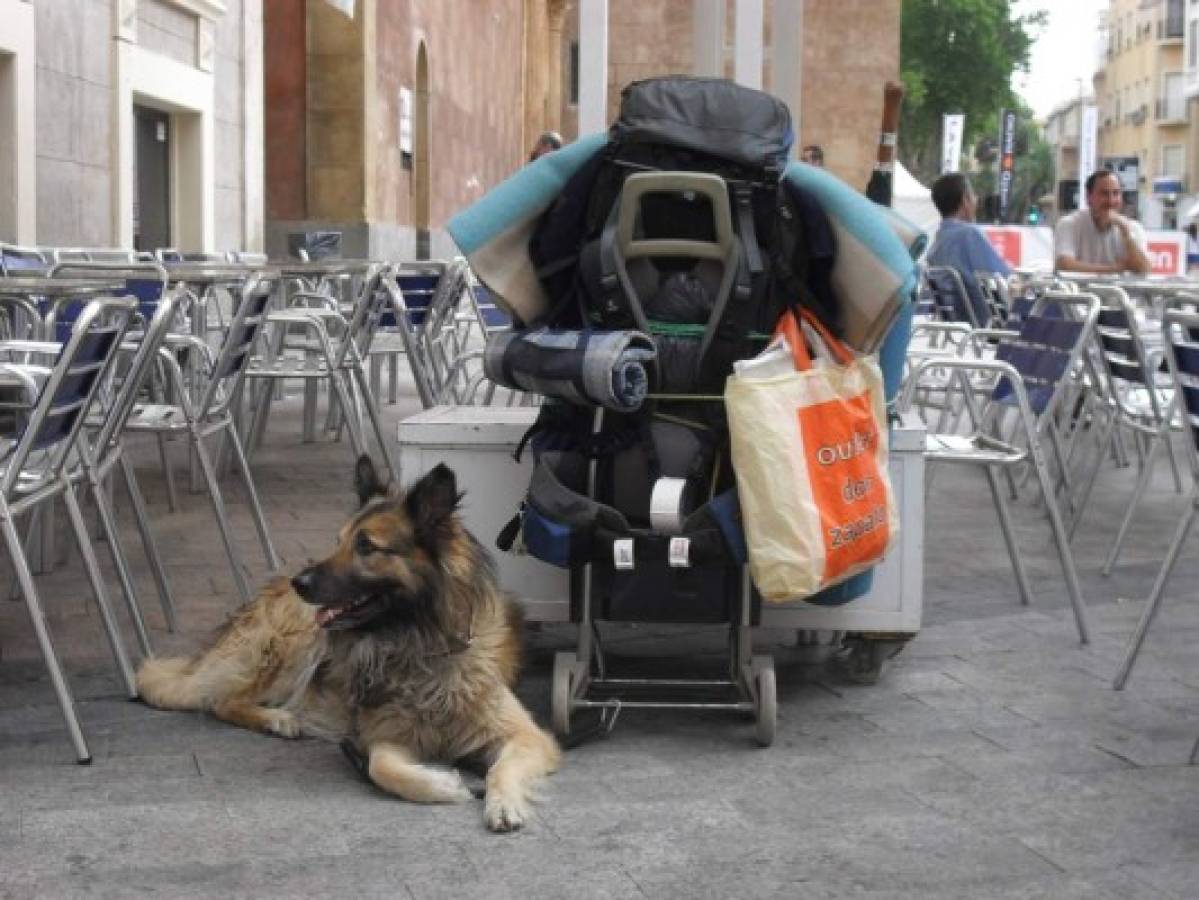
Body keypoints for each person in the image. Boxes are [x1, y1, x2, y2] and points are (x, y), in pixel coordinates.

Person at [925, 172, 1011, 326]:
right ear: (965, 200)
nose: (976, 200)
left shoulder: (937, 244)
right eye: (973, 195)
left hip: (958, 324)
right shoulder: (970, 235)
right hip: (986, 324)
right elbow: (1002, 280)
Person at [1054, 169, 1151, 275]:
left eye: (1116, 193)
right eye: (1104, 194)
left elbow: (1144, 270)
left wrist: (1126, 233)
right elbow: (1064, 265)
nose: (1111, 201)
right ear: (1089, 197)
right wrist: (1116, 268)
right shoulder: (1069, 224)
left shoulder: (1132, 227)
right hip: (1079, 290)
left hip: (1122, 291)